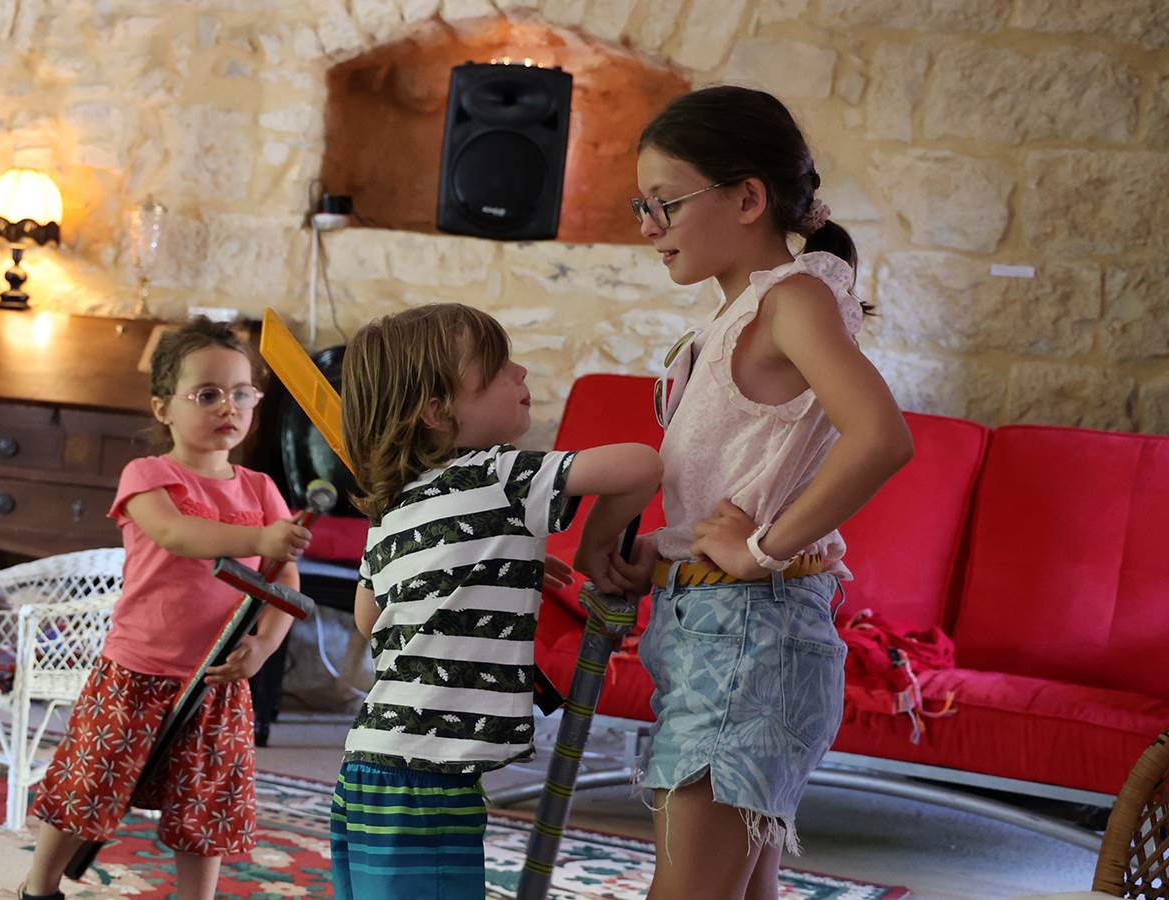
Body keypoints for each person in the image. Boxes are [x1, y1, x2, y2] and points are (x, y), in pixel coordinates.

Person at [591, 85, 914, 900]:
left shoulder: (792, 300)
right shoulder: (729, 318)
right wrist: (661, 560)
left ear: (748, 198)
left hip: (747, 638)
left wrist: (758, 549)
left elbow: (883, 438)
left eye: (665, 204)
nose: (646, 227)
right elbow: (721, 478)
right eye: (641, 205)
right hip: (714, 627)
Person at [329, 303, 663, 899]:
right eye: (499, 365)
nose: (522, 372)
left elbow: (369, 614)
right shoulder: (500, 476)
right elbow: (643, 464)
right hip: (428, 776)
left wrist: (492, 561)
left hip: (370, 761)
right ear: (437, 410)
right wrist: (593, 551)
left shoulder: (395, 509)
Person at [16, 319, 311, 900]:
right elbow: (179, 536)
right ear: (163, 407)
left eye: (242, 393)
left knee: (206, 813)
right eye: (207, 394)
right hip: (136, 671)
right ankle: (40, 886)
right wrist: (260, 541)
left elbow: (286, 580)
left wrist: (264, 645)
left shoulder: (260, 491)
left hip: (220, 679)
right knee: (88, 786)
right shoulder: (149, 476)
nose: (228, 406)